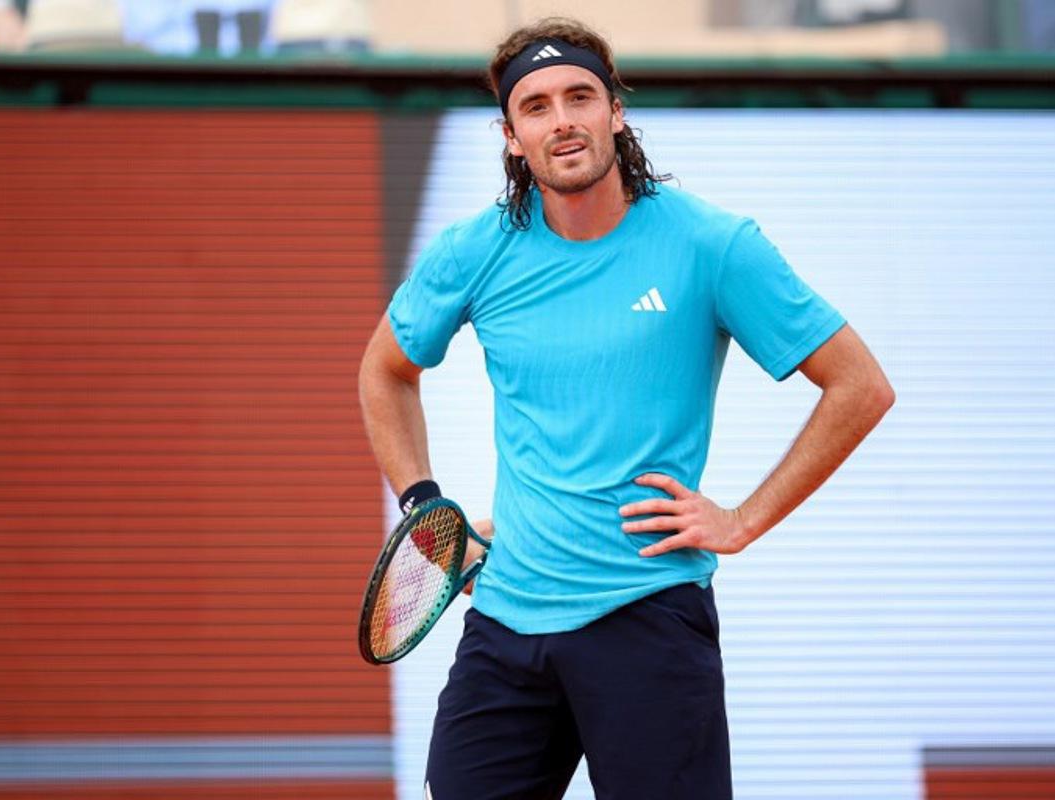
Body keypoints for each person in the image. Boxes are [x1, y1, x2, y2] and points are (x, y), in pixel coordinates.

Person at [358, 16, 895, 800]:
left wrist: (742, 519)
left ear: (616, 111)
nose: (562, 119)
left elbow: (859, 384)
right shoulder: (475, 250)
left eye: (581, 97)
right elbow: (385, 371)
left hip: (647, 621)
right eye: (536, 107)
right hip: (506, 622)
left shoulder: (711, 244)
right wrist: (426, 511)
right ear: (511, 136)